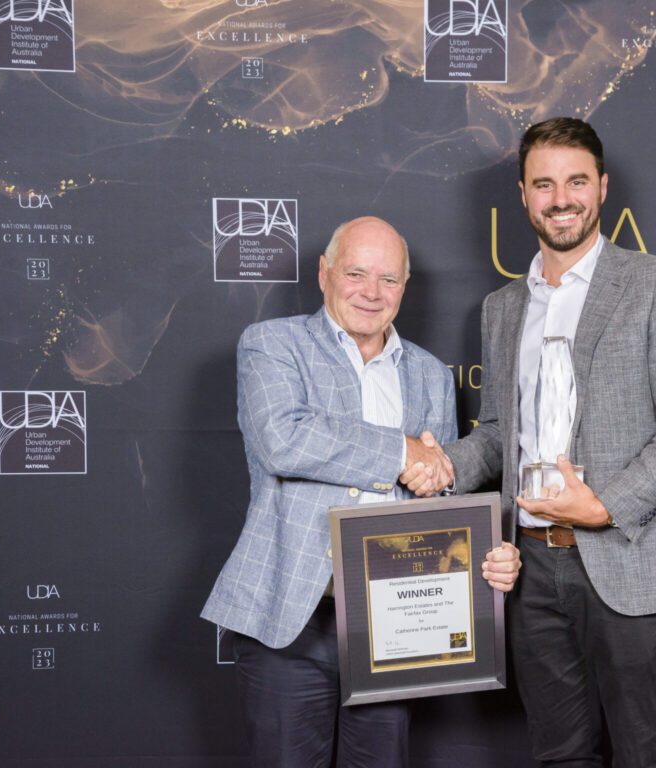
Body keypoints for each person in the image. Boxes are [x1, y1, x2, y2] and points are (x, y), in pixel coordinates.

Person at [405, 118, 656, 767]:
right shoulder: (501, 308)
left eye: (576, 181)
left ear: (602, 187)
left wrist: (602, 506)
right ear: (523, 195)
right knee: (558, 755)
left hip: (632, 560)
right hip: (531, 572)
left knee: (647, 754)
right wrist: (439, 464)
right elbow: (499, 435)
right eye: (544, 184)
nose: (561, 199)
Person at [202, 216, 520, 768]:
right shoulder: (273, 344)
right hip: (292, 619)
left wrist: (488, 553)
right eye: (355, 273)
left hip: (394, 625)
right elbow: (284, 440)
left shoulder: (429, 374)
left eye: (388, 279)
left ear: (404, 287)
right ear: (324, 273)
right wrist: (402, 453)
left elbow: (435, 500)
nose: (371, 292)